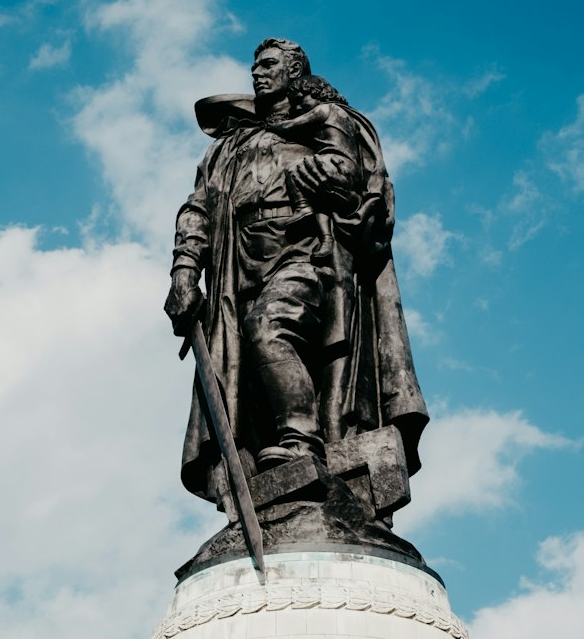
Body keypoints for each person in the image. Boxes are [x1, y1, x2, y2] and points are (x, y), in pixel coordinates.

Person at [164, 38, 427, 497]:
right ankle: (273, 467)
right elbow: (198, 208)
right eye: (254, 67)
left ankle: (301, 440)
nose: (257, 73)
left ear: (294, 71)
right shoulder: (229, 147)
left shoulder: (330, 122)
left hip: (308, 254)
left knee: (269, 328)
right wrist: (185, 270)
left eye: (267, 65)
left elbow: (362, 186)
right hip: (238, 268)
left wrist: (329, 178)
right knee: (247, 370)